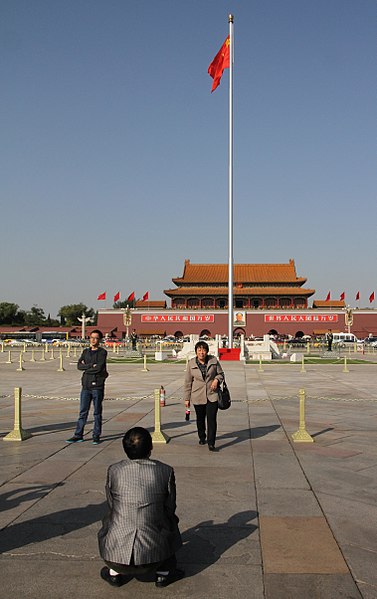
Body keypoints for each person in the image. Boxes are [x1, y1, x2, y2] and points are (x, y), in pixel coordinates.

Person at [98, 427, 184, 588]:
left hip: (114, 555)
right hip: (155, 557)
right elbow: (170, 507)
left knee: (114, 518)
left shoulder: (114, 470)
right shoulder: (165, 471)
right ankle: (163, 574)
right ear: (150, 448)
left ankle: (114, 573)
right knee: (170, 520)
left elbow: (111, 504)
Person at [66, 329, 108, 445]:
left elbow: (98, 367)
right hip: (86, 386)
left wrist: (87, 367)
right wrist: (90, 366)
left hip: (97, 386)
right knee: (83, 412)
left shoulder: (102, 352)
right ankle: (78, 434)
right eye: (91, 338)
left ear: (99, 340)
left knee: (97, 412)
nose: (93, 340)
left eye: (96, 338)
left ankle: (96, 435)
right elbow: (79, 366)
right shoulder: (85, 352)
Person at [184, 341, 224, 452]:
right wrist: (186, 398)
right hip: (197, 395)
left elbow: (221, 374)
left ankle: (211, 443)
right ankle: (202, 436)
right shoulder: (191, 363)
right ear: (196, 351)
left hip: (212, 394)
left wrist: (216, 380)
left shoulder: (213, 361)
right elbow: (187, 382)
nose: (202, 352)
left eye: (204, 350)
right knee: (200, 419)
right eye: (199, 350)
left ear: (207, 351)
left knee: (211, 419)